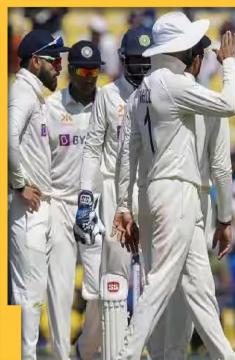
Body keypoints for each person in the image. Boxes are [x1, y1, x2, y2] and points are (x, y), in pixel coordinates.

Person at [114, 11, 235, 359]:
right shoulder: (176, 83)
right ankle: (126, 354)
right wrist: (229, 64)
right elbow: (230, 106)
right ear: (184, 51)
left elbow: (128, 155)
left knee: (200, 292)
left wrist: (126, 206)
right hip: (180, 192)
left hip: (153, 192)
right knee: (160, 285)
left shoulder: (139, 93)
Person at [75, 27, 152, 360]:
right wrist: (86, 198)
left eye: (146, 60)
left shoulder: (159, 93)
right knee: (113, 279)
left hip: (149, 189)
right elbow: (92, 149)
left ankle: (141, 350)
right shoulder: (108, 96)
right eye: (135, 59)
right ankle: (101, 350)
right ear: (123, 59)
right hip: (111, 190)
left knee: (151, 279)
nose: (141, 66)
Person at [8, 29, 69, 360]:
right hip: (26, 206)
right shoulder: (22, 93)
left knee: (29, 293)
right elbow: (7, 139)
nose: (60, 66)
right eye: (54, 60)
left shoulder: (34, 95)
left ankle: (17, 354)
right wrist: (19, 184)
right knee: (26, 295)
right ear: (35, 62)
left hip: (38, 206)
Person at [46, 40, 105, 360]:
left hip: (94, 206)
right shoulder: (51, 107)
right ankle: (59, 354)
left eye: (95, 70)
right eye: (83, 70)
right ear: (71, 71)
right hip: (59, 202)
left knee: (97, 288)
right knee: (60, 285)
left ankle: (87, 346)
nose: (90, 77)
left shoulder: (108, 104)